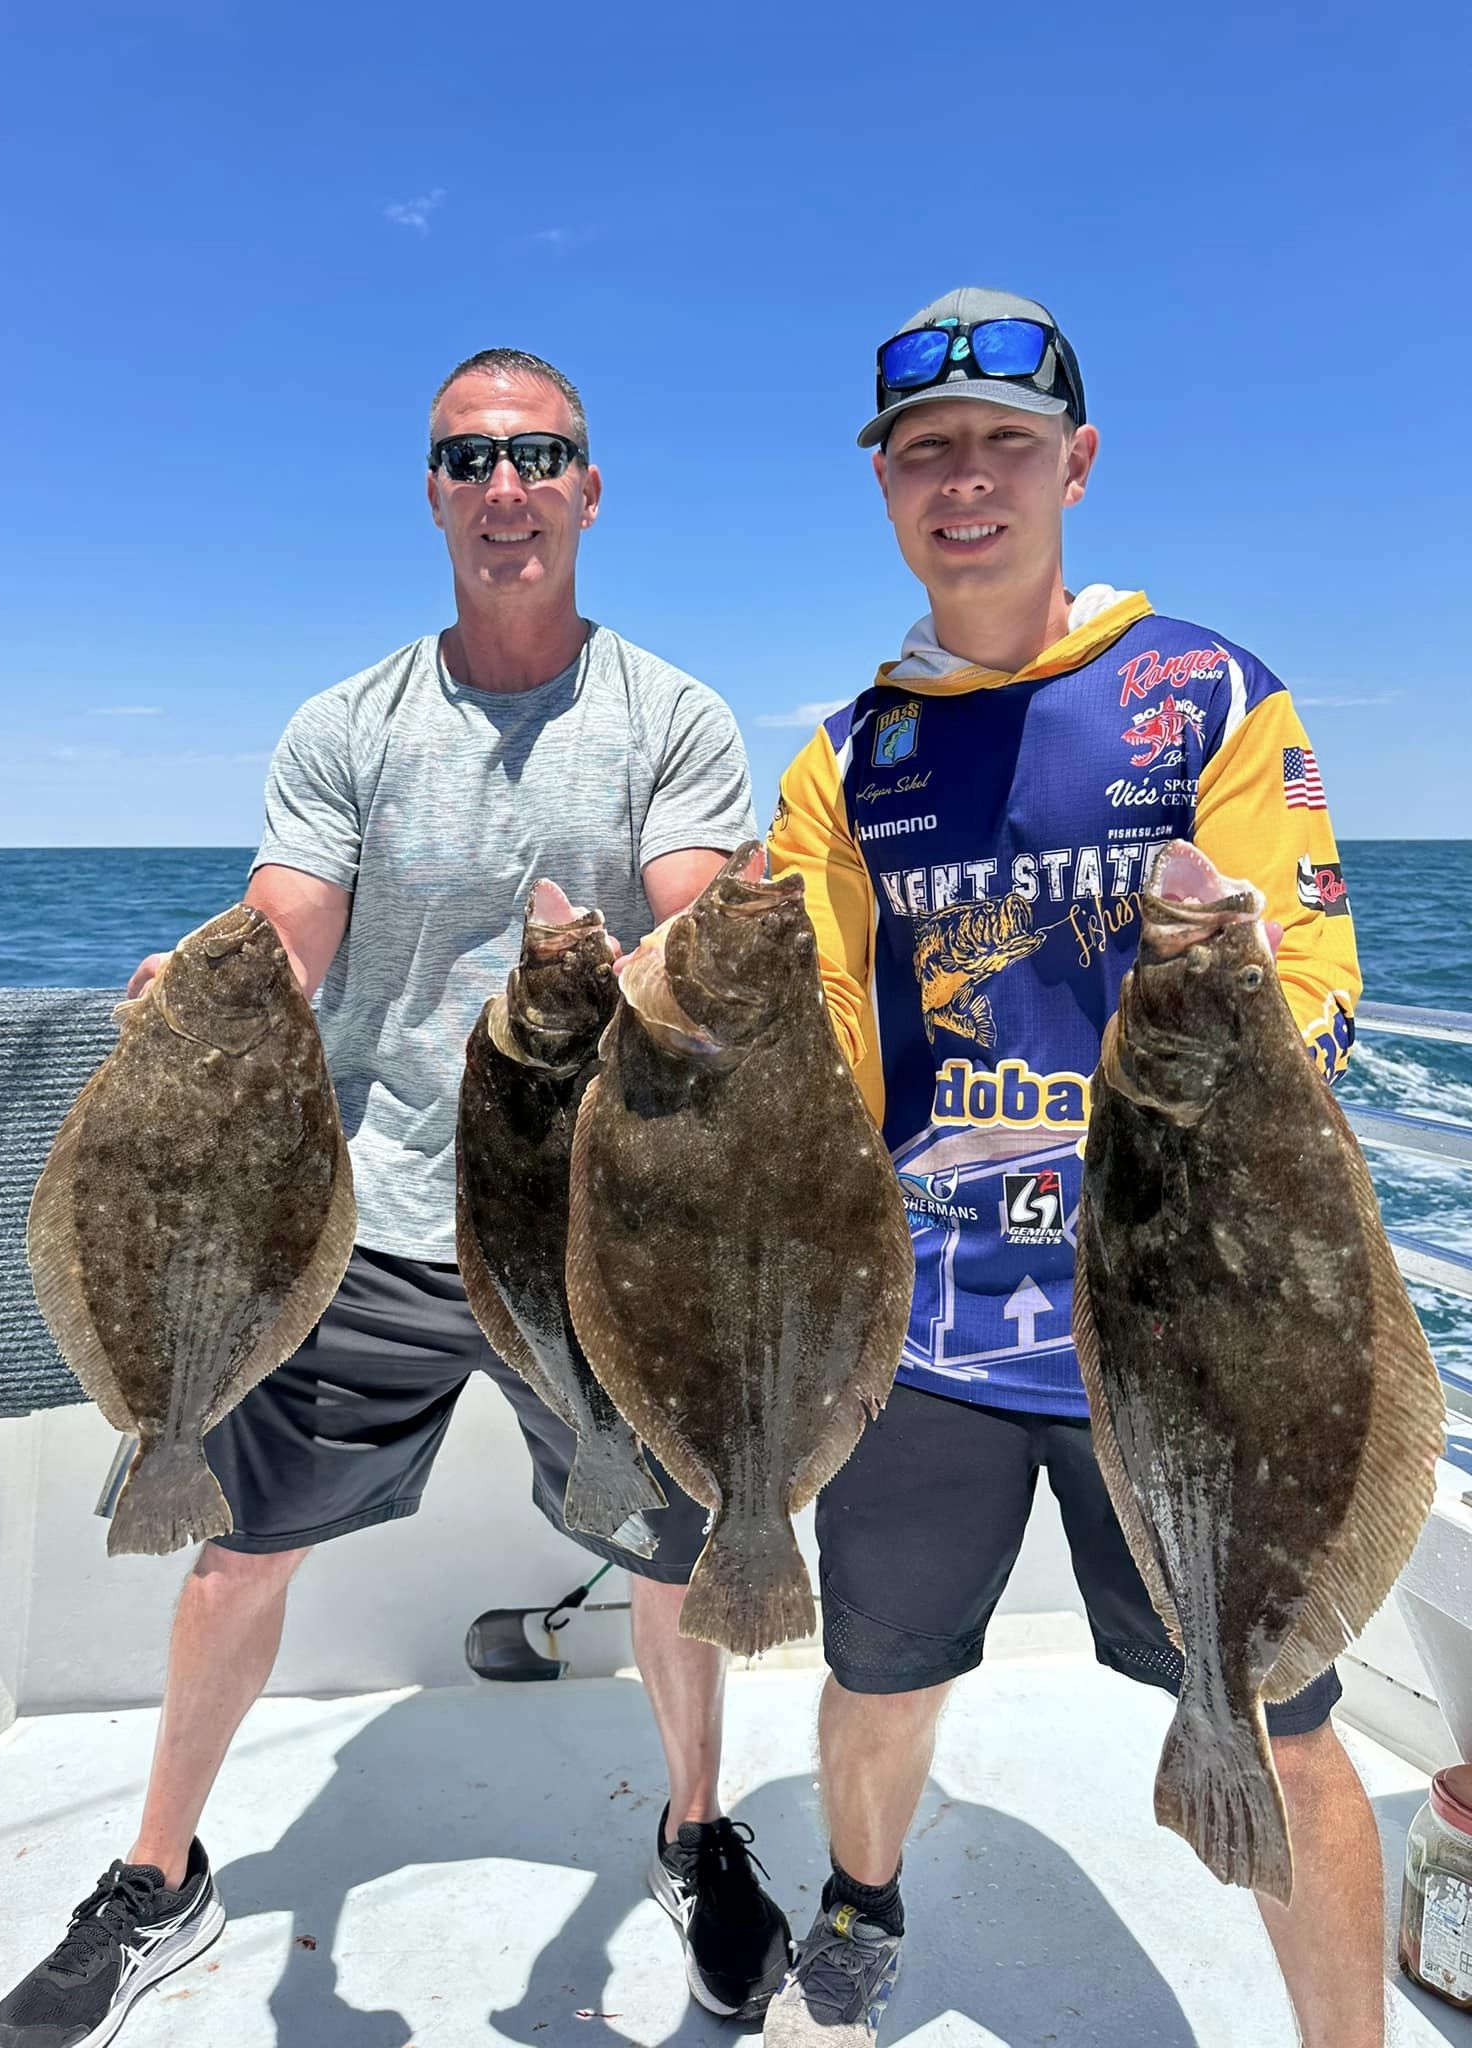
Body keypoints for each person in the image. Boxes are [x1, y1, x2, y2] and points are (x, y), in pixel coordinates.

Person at [0, 347, 792, 2048]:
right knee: (232, 1555)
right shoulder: (347, 724)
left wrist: (677, 945)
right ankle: (159, 1873)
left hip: (596, 1236)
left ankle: (693, 1830)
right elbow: (293, 922)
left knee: (673, 1554)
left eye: (540, 456)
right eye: (470, 459)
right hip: (378, 1224)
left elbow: (695, 913)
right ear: (433, 493)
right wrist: (214, 982)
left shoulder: (673, 718)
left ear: (589, 489)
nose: (507, 487)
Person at [760, 287, 1371, 2045]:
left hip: (1191, 1337)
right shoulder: (847, 757)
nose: (966, 480)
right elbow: (810, 1028)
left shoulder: (1207, 695)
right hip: (930, 1332)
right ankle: (863, 1897)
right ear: (886, 485)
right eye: (925, 451)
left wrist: (1243, 977)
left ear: (1076, 464)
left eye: (1004, 446)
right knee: (880, 1678)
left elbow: (1318, 993)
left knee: (1283, 1724)